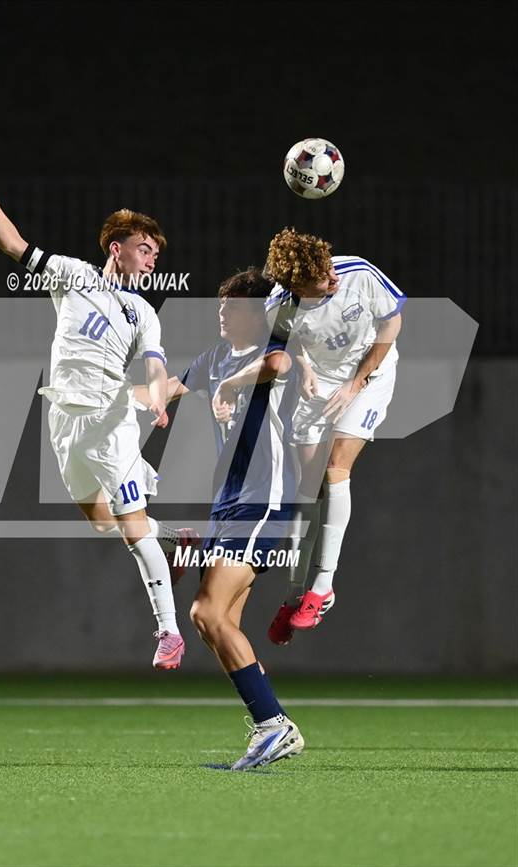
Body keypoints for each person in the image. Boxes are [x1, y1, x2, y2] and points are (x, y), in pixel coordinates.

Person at [0, 164, 196, 669]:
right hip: (65, 419)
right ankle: (174, 538)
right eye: (144, 248)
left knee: (131, 528)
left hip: (111, 418)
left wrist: (157, 396)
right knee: (99, 522)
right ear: (117, 247)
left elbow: (155, 361)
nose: (153, 259)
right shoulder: (74, 276)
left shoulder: (144, 312)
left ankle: (169, 632)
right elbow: (14, 246)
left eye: (157, 253)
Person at [135, 268, 305, 770]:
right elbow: (166, 389)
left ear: (257, 314)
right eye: (220, 305)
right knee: (220, 623)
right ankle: (266, 727)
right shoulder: (212, 357)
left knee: (204, 613)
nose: (221, 313)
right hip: (230, 503)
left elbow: (282, 362)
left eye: (231, 307)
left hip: (265, 500)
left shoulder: (264, 351)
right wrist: (117, 402)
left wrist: (233, 382)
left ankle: (275, 726)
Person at [263, 228, 406, 644]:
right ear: (296, 286)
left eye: (328, 266)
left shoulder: (357, 272)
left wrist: (357, 382)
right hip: (320, 384)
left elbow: (392, 323)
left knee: (334, 469)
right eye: (319, 277)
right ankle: (293, 596)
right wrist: (303, 365)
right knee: (305, 492)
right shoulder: (279, 305)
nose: (331, 277)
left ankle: (322, 587)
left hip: (369, 373)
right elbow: (288, 343)